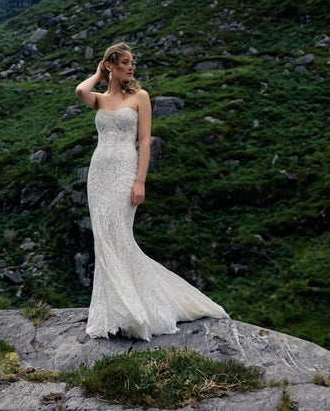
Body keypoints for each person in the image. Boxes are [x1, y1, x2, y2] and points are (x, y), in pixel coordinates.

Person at [75, 42, 228, 340]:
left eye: (132, 62)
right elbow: (81, 92)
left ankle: (136, 309)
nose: (131, 67)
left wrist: (140, 181)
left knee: (120, 235)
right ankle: (115, 311)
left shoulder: (140, 97)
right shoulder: (100, 99)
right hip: (99, 174)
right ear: (110, 66)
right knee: (103, 238)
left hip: (124, 170)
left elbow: (144, 141)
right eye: (124, 63)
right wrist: (97, 74)